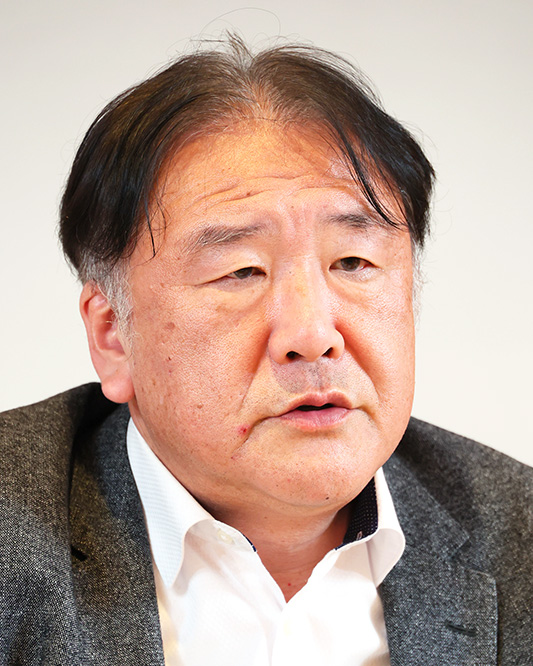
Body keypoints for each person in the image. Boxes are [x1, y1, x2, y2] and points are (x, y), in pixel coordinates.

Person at [0, 35, 531, 666]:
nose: (313, 335)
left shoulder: (518, 540)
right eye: (242, 271)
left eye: (353, 262)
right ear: (113, 335)